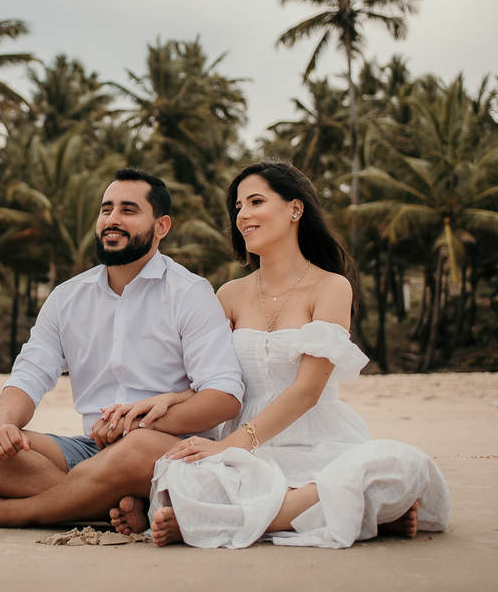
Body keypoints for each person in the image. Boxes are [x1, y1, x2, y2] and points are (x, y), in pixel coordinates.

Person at [106, 161, 450, 548]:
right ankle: (353, 513)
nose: (243, 215)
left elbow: (307, 391)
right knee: (179, 470)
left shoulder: (331, 287)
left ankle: (225, 519)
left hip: (313, 439)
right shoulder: (229, 295)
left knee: (399, 466)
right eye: (238, 207)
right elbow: (214, 380)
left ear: (295, 209)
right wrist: (170, 398)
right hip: (241, 443)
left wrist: (234, 445)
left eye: (256, 201)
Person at [0, 167, 245, 528]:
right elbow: (31, 372)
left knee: (135, 447)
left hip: (166, 449)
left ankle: (9, 513)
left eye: (128, 210)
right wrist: (4, 424)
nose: (112, 220)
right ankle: (111, 508)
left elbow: (224, 395)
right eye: (105, 209)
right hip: (91, 450)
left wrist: (138, 425)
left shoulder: (190, 293)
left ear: (161, 226)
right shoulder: (67, 297)